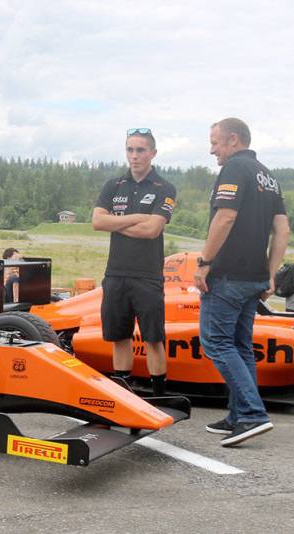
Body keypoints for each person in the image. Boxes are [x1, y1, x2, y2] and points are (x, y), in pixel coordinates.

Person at [194, 118, 289, 447]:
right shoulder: (268, 175)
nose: (212, 150)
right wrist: (271, 273)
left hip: (228, 274)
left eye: (215, 143)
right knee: (240, 346)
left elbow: (225, 216)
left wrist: (204, 263)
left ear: (233, 141)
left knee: (216, 343)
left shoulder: (234, 169)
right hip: (254, 277)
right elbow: (283, 230)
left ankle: (251, 414)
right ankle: (237, 415)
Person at [93, 128, 176, 396]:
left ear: (152, 153)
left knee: (153, 337)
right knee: (119, 336)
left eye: (140, 150)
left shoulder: (165, 188)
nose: (135, 156)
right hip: (116, 273)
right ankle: (123, 391)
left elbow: (152, 230)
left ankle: (159, 393)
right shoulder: (113, 185)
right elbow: (97, 222)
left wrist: (115, 223)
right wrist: (137, 217)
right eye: (130, 149)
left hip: (147, 275)